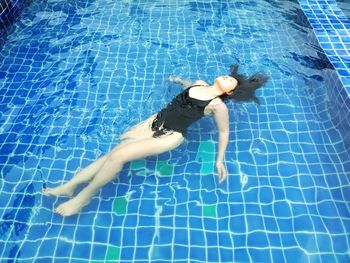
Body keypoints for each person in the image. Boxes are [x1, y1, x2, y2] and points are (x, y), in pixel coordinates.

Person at [43, 64, 268, 216]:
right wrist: (179, 80)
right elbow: (188, 88)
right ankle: (69, 186)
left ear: (229, 93)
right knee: (113, 153)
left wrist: (219, 160)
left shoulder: (218, 106)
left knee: (119, 156)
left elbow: (224, 132)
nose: (228, 78)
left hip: (170, 136)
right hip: (154, 122)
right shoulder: (198, 83)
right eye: (229, 75)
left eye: (233, 82)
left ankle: (83, 197)